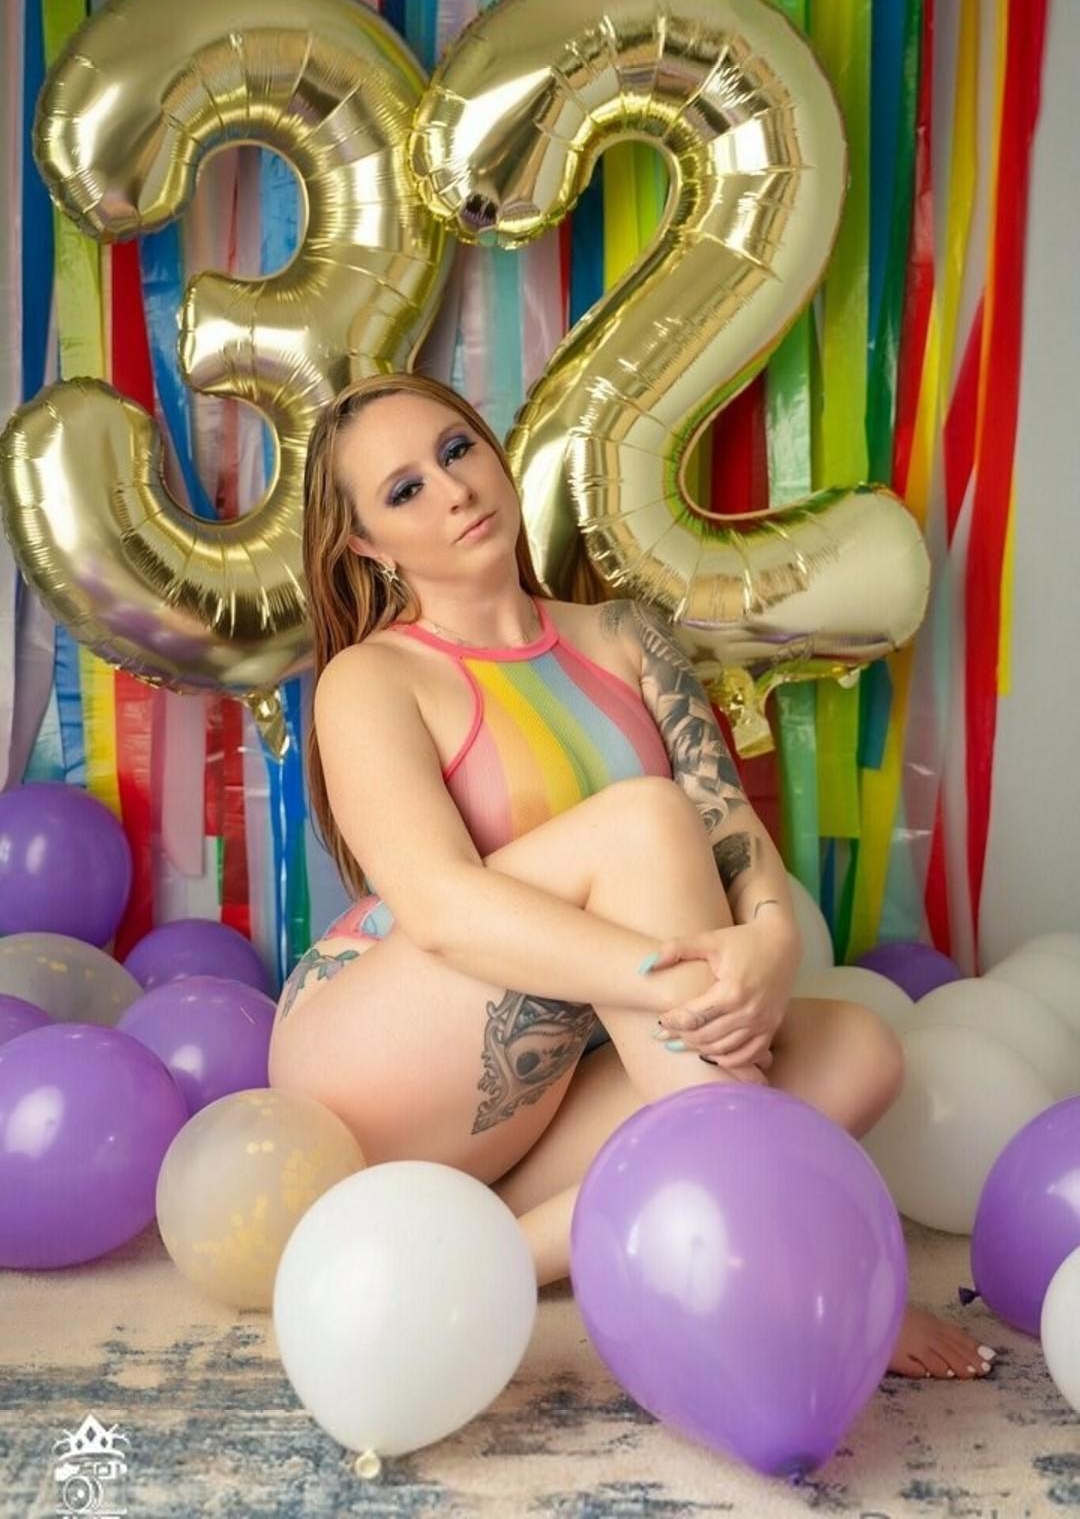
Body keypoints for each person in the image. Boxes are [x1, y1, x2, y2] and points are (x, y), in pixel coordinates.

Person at [267, 369, 997, 1383]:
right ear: (366, 546)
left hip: (561, 1072)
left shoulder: (624, 637)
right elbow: (439, 908)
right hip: (383, 1051)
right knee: (644, 821)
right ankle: (802, 1268)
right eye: (404, 491)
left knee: (860, 1051)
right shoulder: (372, 678)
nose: (454, 490)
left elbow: (729, 825)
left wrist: (771, 940)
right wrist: (687, 983)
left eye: (457, 449)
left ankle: (485, 1254)